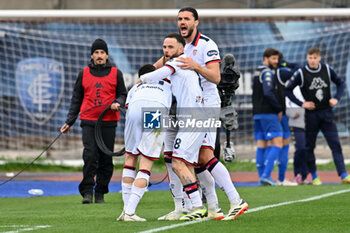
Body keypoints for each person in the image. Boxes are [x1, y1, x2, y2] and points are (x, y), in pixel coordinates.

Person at [154, 7, 247, 221]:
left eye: (186, 18)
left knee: (202, 156)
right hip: (186, 107)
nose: (182, 22)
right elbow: (158, 66)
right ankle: (213, 206)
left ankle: (233, 200)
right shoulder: (178, 46)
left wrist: (195, 66)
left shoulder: (207, 44)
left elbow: (215, 77)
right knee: (199, 158)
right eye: (179, 19)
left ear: (196, 22)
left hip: (205, 105)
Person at [141, 33, 208, 220]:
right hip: (188, 118)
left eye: (170, 47)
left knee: (178, 162)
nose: (166, 51)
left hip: (191, 119)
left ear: (181, 49)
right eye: (164, 47)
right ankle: (185, 207)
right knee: (181, 162)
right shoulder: (181, 68)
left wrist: (138, 83)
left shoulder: (177, 63)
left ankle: (198, 205)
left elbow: (152, 76)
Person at [60, 38, 127, 204]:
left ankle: (100, 192)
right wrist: (69, 121)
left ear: (106, 55)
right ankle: (87, 192)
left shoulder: (116, 73)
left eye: (102, 52)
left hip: (108, 122)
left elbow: (123, 94)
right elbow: (76, 99)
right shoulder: (83, 74)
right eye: (96, 52)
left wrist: (118, 102)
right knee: (90, 156)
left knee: (106, 159)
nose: (99, 55)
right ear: (91, 55)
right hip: (88, 121)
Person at [285, 47, 350, 184]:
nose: (312, 60)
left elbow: (341, 83)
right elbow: (288, 89)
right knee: (310, 146)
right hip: (311, 115)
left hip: (326, 113)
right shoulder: (301, 73)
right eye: (310, 58)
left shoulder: (327, 69)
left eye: (315, 58)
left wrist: (336, 98)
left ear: (319, 58)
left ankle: (343, 174)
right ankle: (314, 176)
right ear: (307, 58)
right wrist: (302, 103)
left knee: (335, 144)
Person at [117, 64, 172, 221]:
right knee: (146, 162)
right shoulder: (167, 84)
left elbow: (127, 106)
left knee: (130, 158)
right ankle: (130, 212)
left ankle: (125, 210)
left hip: (134, 110)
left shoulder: (135, 87)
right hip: (155, 111)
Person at [253, 48, 284, 186]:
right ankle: (266, 175)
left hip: (257, 113)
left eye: (277, 59)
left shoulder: (257, 71)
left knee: (262, 144)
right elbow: (268, 92)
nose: (276, 61)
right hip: (268, 113)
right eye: (273, 59)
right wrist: (278, 108)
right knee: (278, 143)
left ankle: (261, 178)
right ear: (265, 59)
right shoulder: (266, 72)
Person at [285, 85, 311, 184]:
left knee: (307, 149)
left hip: (307, 122)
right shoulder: (291, 87)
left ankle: (305, 175)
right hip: (296, 122)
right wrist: (291, 114)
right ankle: (298, 174)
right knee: (300, 148)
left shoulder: (306, 85)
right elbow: (285, 101)